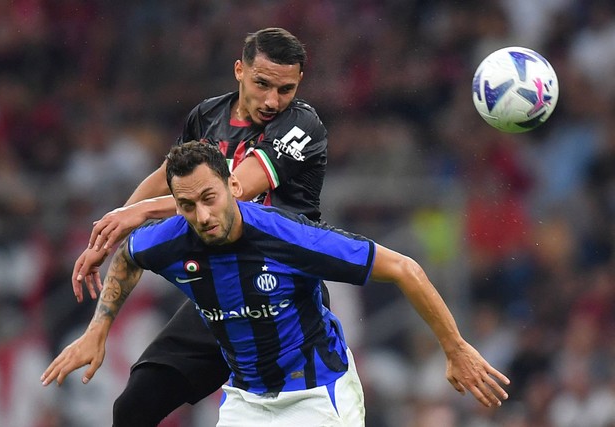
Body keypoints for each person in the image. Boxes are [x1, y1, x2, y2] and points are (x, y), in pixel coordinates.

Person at [42, 142, 511, 426]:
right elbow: (128, 256)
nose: (202, 216)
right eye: (187, 205)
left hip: (317, 397)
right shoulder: (171, 238)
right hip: (247, 401)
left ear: (231, 184)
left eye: (209, 198)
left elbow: (406, 269)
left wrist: (455, 348)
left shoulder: (290, 237)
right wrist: (97, 331)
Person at [70, 27, 330, 426]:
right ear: (239, 70)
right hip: (222, 293)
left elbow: (234, 192)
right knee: (133, 407)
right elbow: (165, 176)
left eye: (285, 89)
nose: (272, 101)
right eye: (262, 84)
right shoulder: (208, 116)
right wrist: (114, 226)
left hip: (285, 297)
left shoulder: (301, 125)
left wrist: (138, 214)